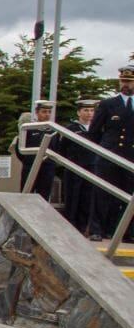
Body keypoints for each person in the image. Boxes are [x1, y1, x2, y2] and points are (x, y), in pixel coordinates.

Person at [89, 64, 134, 242]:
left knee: (129, 195)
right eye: (123, 81)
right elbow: (94, 131)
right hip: (110, 154)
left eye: (130, 82)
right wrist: (103, 149)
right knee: (102, 192)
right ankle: (96, 229)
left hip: (131, 156)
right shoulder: (108, 104)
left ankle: (128, 232)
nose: (126, 85)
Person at [63, 99, 101, 238]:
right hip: (75, 165)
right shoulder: (72, 128)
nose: (89, 113)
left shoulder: (97, 129)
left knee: (88, 197)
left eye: (91, 110)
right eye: (86, 110)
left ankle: (83, 226)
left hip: (92, 166)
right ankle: (71, 225)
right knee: (73, 197)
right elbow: (63, 147)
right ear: (79, 112)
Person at [15, 101, 57, 199]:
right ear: (37, 113)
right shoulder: (29, 129)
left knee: (44, 196)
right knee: (26, 195)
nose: (47, 114)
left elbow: (57, 149)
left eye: (49, 112)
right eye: (44, 112)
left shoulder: (54, 131)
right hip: (30, 166)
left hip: (47, 167)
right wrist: (28, 161)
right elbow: (20, 150)